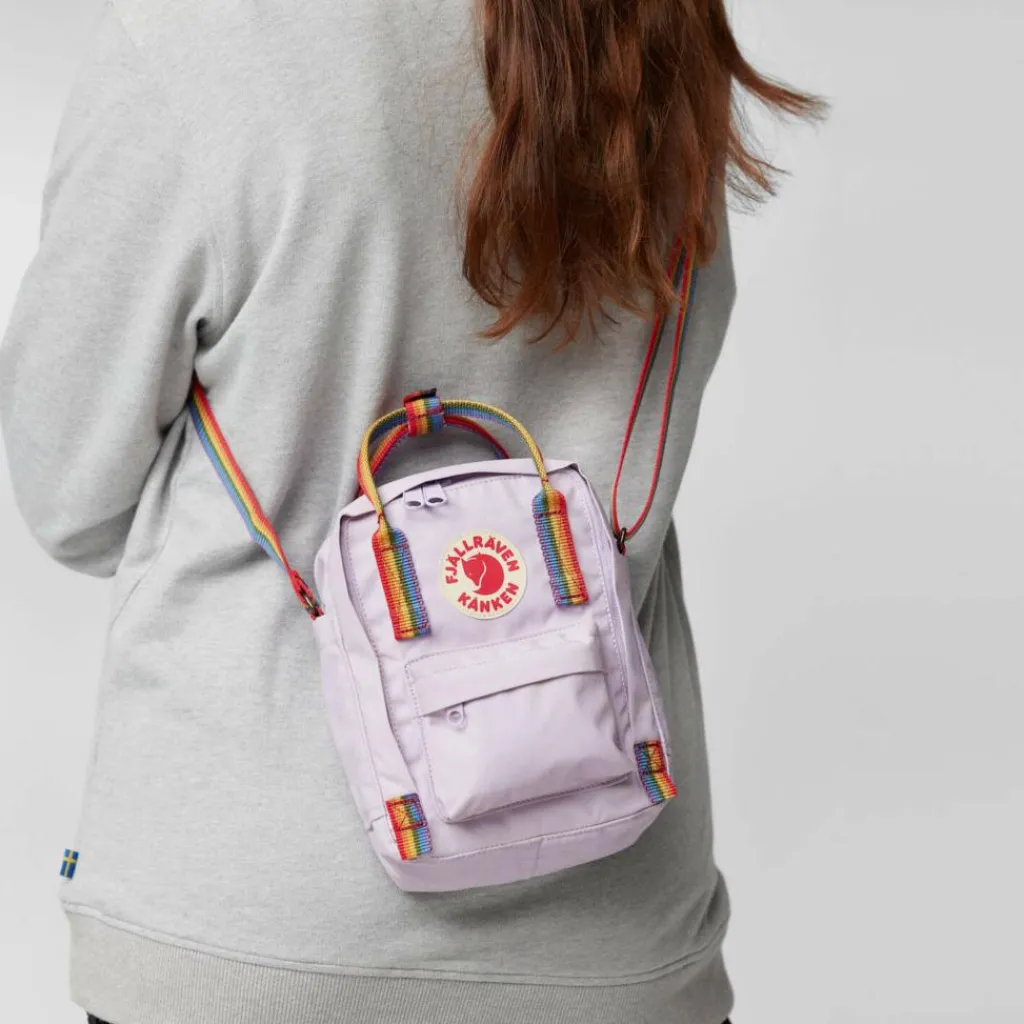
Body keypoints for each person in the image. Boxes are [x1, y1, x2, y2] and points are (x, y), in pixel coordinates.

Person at [0, 1, 822, 1022]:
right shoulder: (651, 26)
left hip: (256, 922)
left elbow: (70, 495)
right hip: (612, 927)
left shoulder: (194, 41)